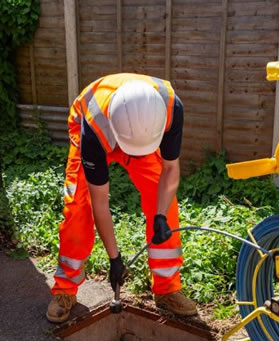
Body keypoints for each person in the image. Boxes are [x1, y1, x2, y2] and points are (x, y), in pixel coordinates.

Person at [46, 73, 197, 323]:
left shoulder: (170, 109)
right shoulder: (94, 128)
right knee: (77, 209)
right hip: (96, 129)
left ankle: (167, 288)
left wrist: (160, 215)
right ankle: (65, 289)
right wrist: (114, 258)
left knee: (166, 204)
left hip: (140, 133)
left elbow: (170, 169)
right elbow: (100, 202)